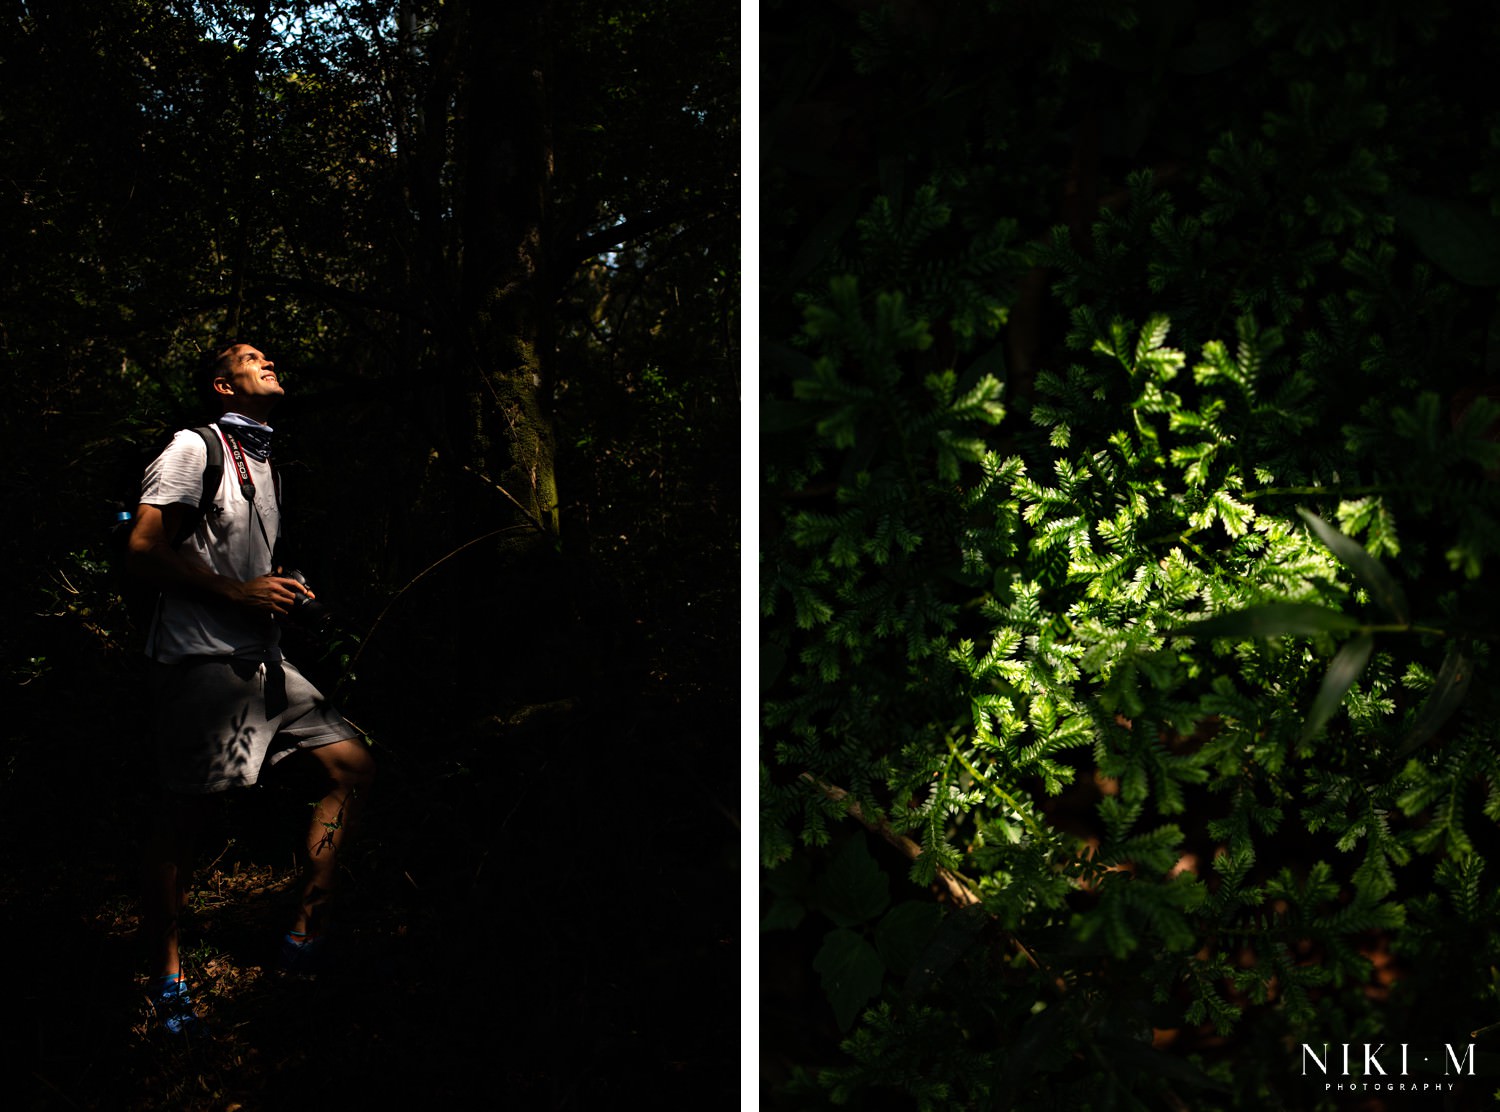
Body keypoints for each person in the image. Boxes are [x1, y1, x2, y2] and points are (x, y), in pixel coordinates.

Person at [127, 341, 376, 1035]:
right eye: (251, 357)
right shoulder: (191, 446)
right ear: (221, 385)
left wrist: (281, 583)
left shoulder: (264, 458)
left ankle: (304, 936)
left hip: (263, 658)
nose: (269, 362)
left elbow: (235, 553)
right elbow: (144, 550)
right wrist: (237, 591)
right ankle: (167, 978)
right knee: (187, 823)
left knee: (352, 767)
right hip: (201, 661)